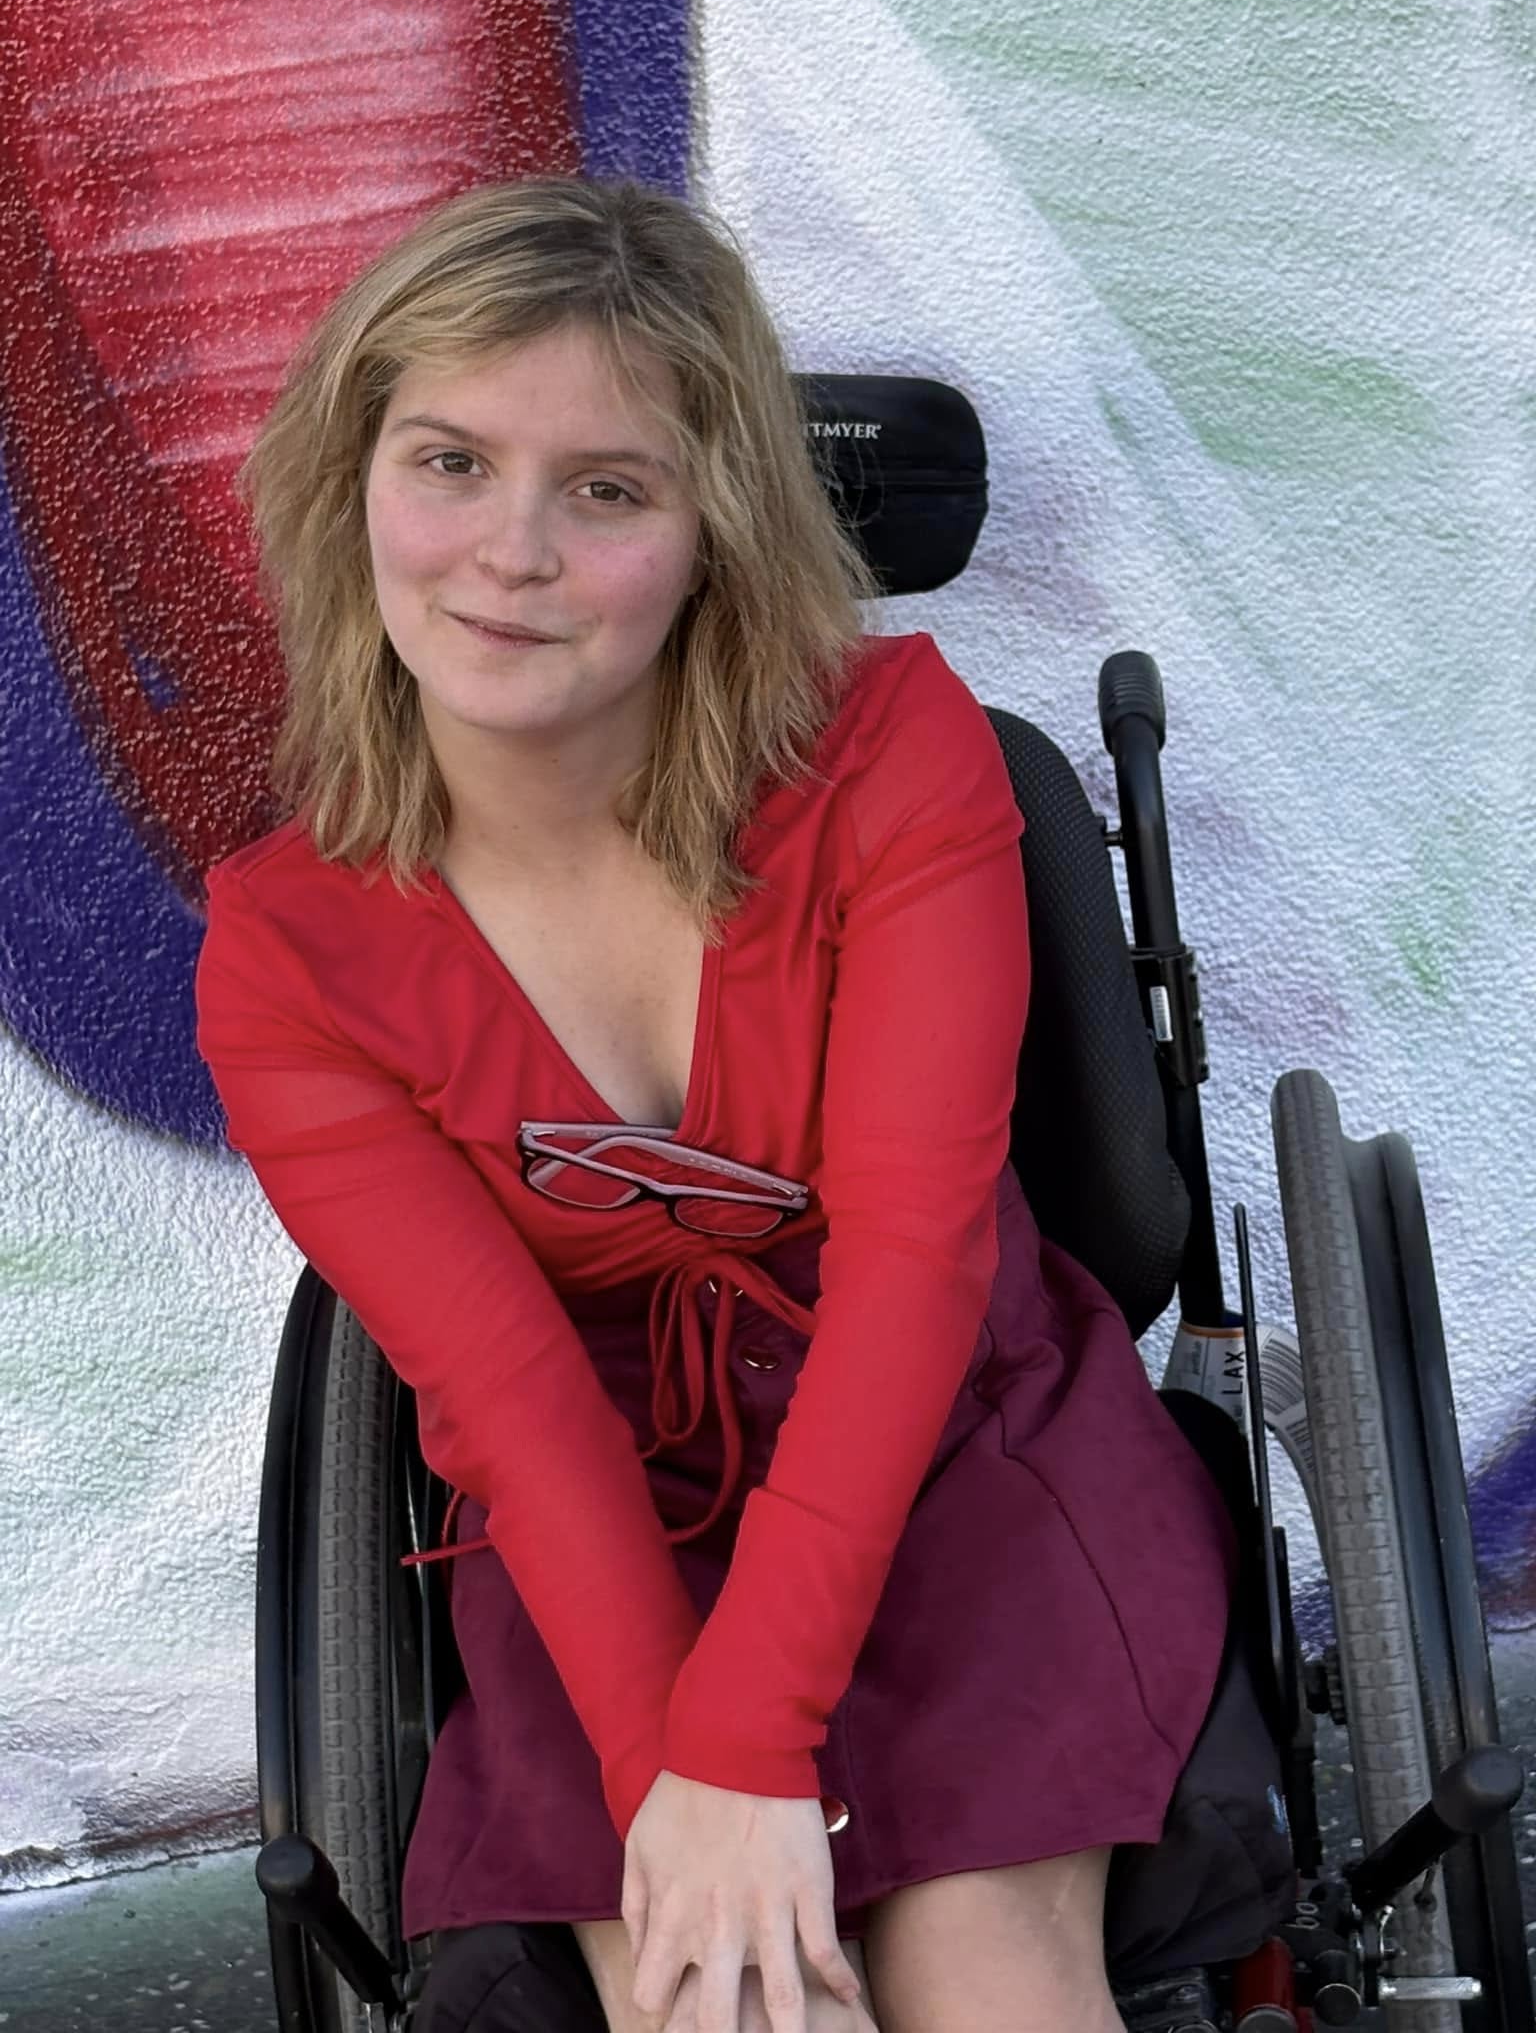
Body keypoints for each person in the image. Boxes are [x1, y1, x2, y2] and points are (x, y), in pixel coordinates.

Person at [194, 175, 1238, 2033]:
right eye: (450, 462)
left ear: (711, 536)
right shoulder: (291, 959)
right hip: (607, 1514)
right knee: (731, 2002)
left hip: (953, 1434)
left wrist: (755, 1744)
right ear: (353, 480)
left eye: (609, 490)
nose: (511, 551)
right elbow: (515, 1403)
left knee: (993, 1978)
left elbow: (916, 1262)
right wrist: (684, 1771)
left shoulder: (891, 759)